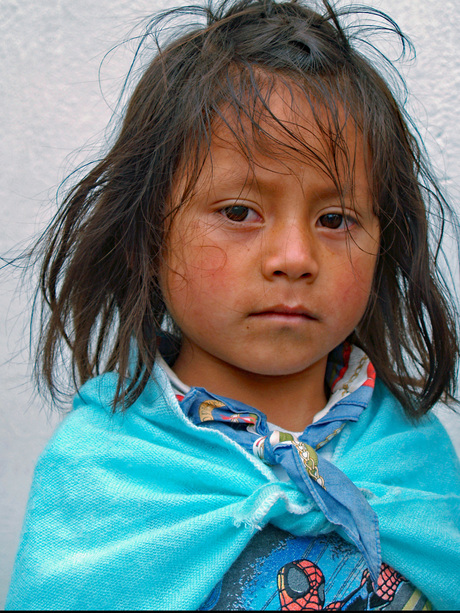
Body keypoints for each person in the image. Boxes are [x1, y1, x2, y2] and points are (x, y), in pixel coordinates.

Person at [6, 0, 460, 609]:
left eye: (335, 218)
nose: (295, 256)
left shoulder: (411, 455)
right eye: (240, 212)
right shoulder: (107, 472)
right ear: (148, 234)